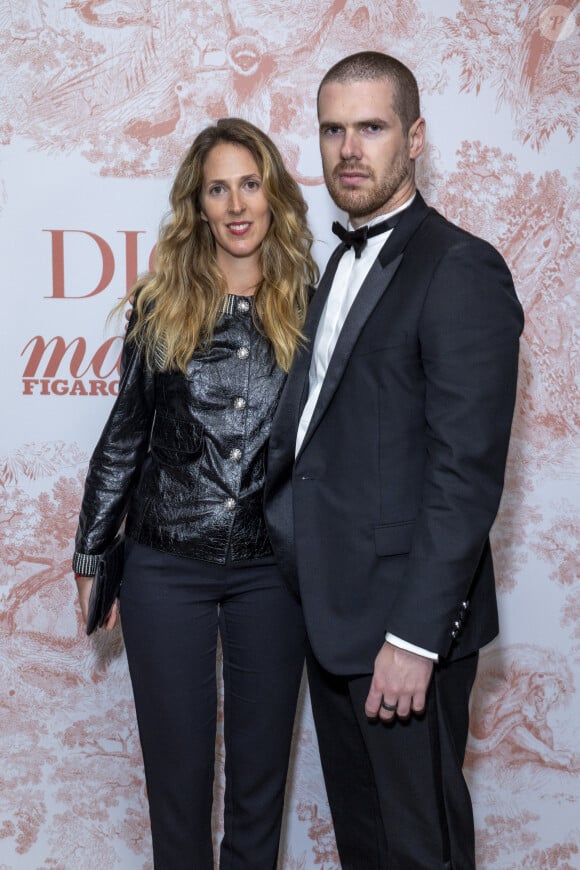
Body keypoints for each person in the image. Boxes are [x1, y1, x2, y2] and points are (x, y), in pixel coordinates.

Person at [264, 52, 524, 869]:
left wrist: (415, 639)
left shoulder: (460, 267)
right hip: (333, 612)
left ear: (413, 137)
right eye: (333, 130)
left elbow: (465, 472)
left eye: (371, 127)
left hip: (402, 631)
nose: (349, 148)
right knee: (367, 848)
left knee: (421, 850)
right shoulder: (334, 263)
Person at [72, 117, 318, 869]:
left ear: (272, 195)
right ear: (199, 204)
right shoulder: (163, 303)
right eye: (219, 188)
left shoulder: (316, 304)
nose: (237, 204)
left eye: (250, 183)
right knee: (175, 788)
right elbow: (125, 433)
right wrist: (91, 546)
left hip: (272, 570)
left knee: (258, 788)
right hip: (165, 565)